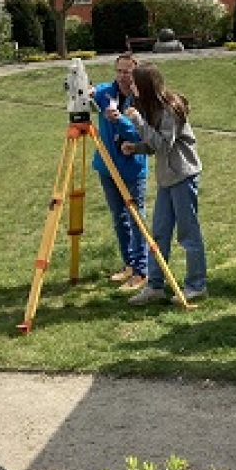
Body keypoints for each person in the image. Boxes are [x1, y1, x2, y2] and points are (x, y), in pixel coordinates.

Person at [120, 62, 207, 305]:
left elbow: (163, 145)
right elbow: (153, 144)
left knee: (188, 234)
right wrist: (136, 147)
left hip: (182, 176)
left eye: (135, 82)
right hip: (167, 179)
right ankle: (155, 286)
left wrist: (138, 122)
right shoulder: (151, 107)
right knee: (158, 234)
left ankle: (196, 285)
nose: (131, 86)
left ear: (145, 85)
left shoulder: (170, 109)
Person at [91, 53, 148, 293]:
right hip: (107, 166)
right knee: (119, 218)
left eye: (128, 72)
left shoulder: (142, 100)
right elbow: (92, 93)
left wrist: (119, 121)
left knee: (136, 218)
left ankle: (141, 270)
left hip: (132, 167)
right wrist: (88, 90)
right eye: (120, 71)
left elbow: (141, 136)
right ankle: (128, 263)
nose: (123, 76)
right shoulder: (106, 92)